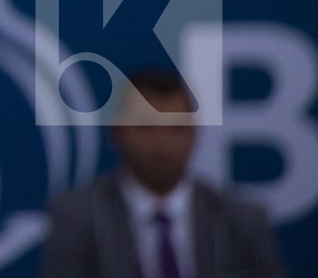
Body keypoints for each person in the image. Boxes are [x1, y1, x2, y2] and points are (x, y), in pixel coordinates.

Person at [40, 70, 288, 278]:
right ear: (117, 132)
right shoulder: (78, 216)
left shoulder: (240, 219)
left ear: (194, 134)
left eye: (176, 128)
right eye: (146, 127)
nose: (162, 142)